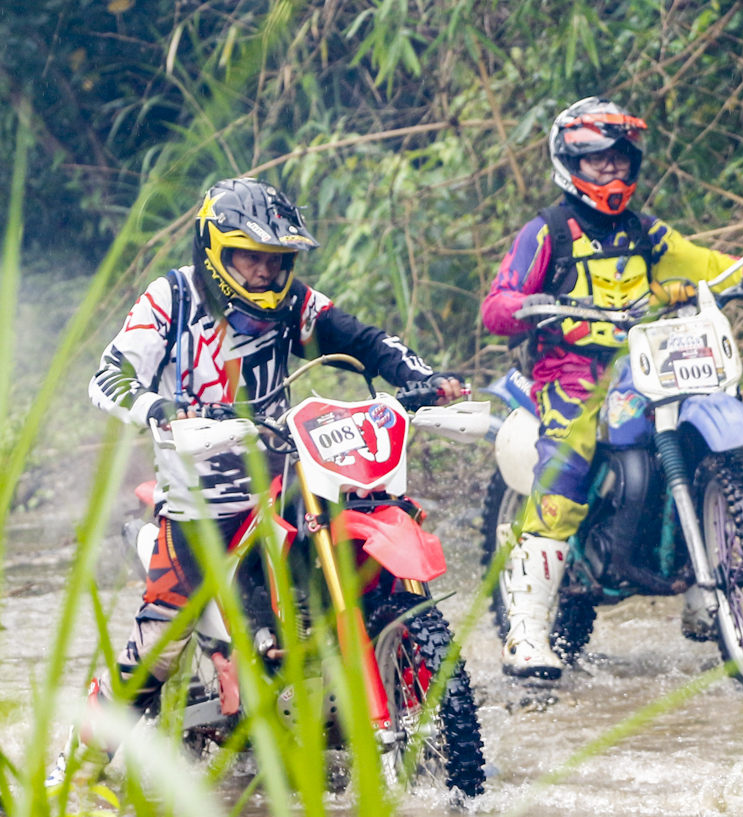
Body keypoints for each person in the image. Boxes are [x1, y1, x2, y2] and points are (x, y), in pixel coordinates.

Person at [86, 176, 464, 722]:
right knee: (159, 648)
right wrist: (159, 407)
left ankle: (422, 708)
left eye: (276, 259)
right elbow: (109, 376)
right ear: (215, 250)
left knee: (363, 548)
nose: (265, 272)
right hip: (200, 501)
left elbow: (361, 340)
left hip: (284, 477)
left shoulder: (293, 303)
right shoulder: (171, 299)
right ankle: (79, 763)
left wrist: (421, 377)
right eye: (250, 257)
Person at [480, 96, 743, 678]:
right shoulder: (546, 231)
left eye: (621, 159)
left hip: (645, 360)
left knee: (700, 424)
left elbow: (704, 263)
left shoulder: (643, 230)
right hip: (571, 370)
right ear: (571, 164)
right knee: (568, 459)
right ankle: (526, 632)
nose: (613, 170)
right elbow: (498, 300)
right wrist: (526, 304)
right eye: (599, 160)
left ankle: (704, 582)